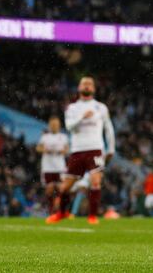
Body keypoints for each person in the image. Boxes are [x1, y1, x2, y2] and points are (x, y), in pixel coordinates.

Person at [46, 77, 115, 225]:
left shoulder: (101, 107)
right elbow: (70, 126)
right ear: (79, 87)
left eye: (90, 84)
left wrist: (111, 148)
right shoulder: (72, 108)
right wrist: (82, 117)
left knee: (96, 181)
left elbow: (108, 128)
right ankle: (62, 213)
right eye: (85, 83)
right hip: (77, 150)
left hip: (95, 148)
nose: (87, 86)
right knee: (65, 187)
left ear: (94, 89)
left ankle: (92, 216)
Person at [36, 116, 68, 216]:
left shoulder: (63, 137)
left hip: (60, 167)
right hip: (48, 167)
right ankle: (51, 211)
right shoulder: (45, 137)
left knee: (62, 189)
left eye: (56, 124)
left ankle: (62, 211)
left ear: (59, 125)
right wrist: (44, 150)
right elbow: (38, 148)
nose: (54, 126)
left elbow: (66, 150)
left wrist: (62, 151)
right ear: (50, 125)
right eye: (52, 124)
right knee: (49, 189)